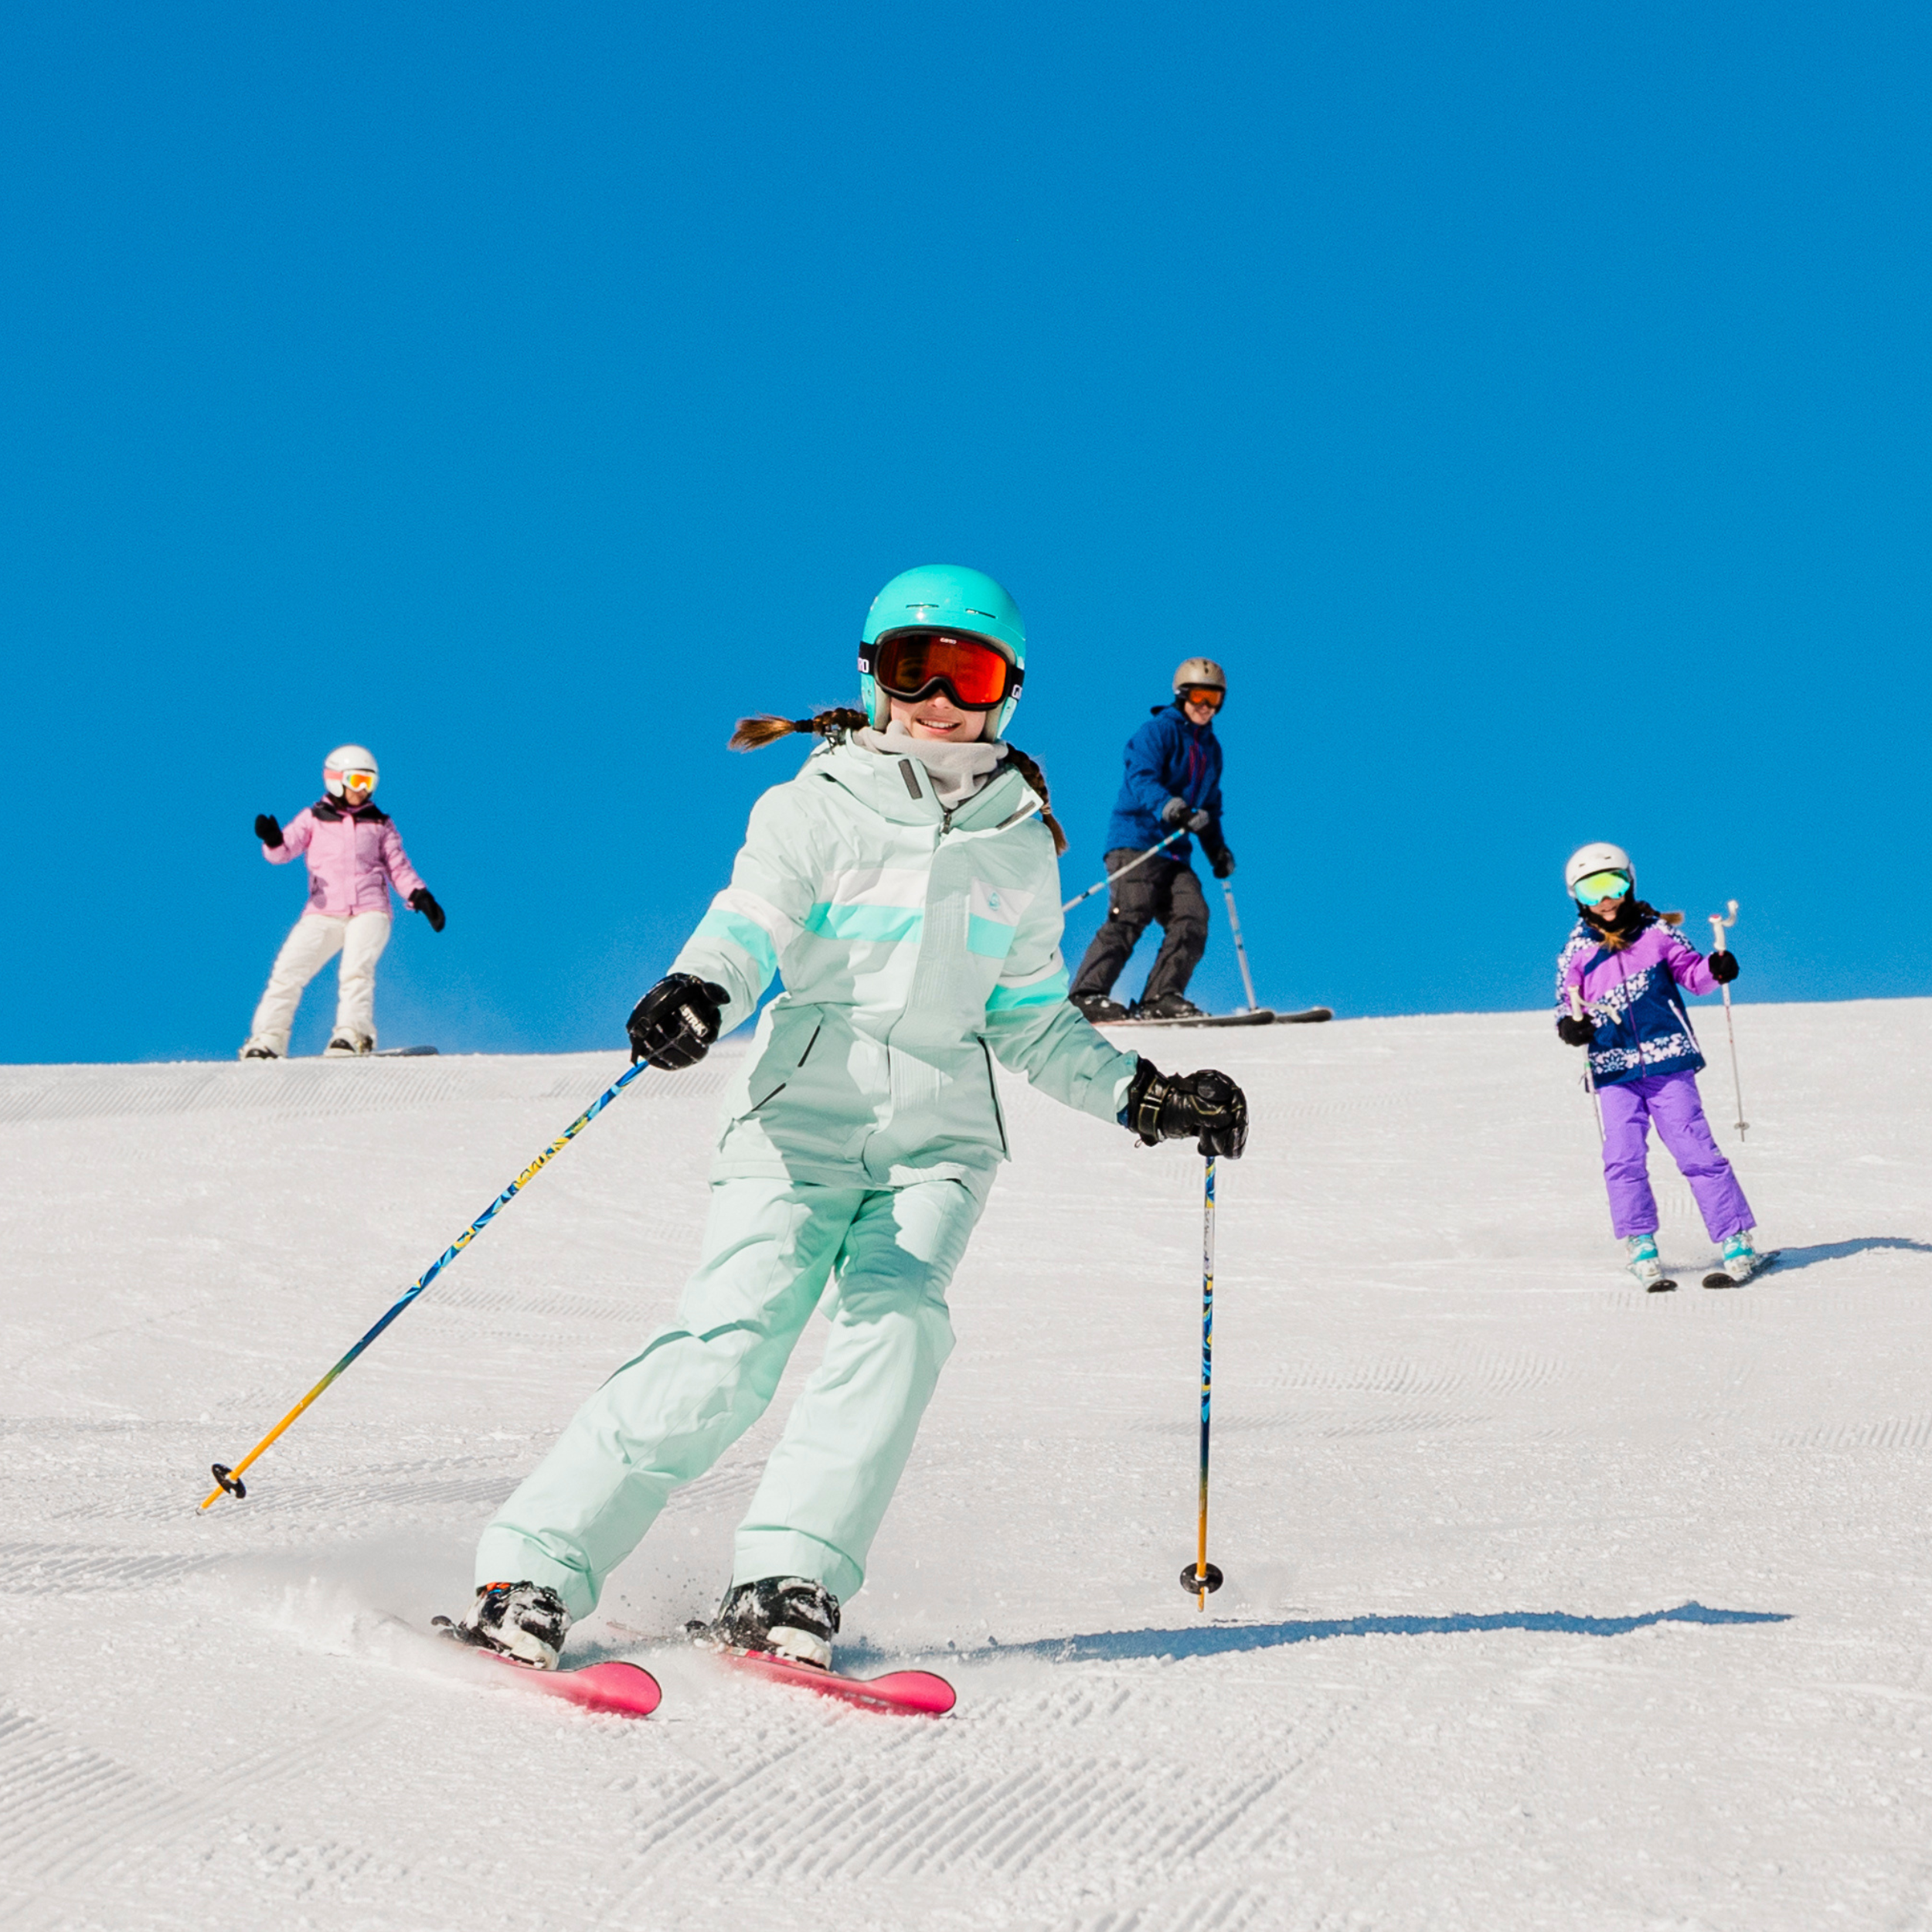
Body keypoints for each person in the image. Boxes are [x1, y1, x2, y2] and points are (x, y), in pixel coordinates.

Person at [446, 566, 1250, 1672]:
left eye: (964, 671)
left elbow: (1023, 1018)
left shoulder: (1023, 841)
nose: (937, 697)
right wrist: (700, 989)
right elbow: (750, 919)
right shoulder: (814, 802)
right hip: (800, 1123)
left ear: (1005, 691)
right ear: (871, 679)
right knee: (733, 1342)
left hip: (940, 1145)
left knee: (900, 1325)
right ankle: (531, 1567)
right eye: (912, 668)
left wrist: (1140, 1094)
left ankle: (789, 1577)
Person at [1555, 842, 1758, 1287]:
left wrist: (1717, 967)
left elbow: (1694, 976)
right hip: (1613, 1072)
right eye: (1592, 891)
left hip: (1667, 1062)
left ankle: (1735, 1238)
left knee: (1695, 1149)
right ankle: (1640, 1241)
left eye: (1613, 884)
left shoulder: (1658, 934)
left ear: (1629, 883)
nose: (1605, 900)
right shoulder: (1576, 953)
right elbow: (1566, 1006)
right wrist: (1572, 1027)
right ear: (1577, 898)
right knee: (1623, 1157)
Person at [240, 745, 445, 1060]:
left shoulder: (379, 824)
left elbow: (398, 867)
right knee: (288, 971)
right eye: (358, 782)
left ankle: (353, 1034)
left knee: (355, 970)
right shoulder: (313, 819)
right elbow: (284, 851)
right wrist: (273, 839)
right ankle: (267, 1041)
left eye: (370, 784)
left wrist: (420, 896)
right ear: (336, 780)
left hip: (370, 910)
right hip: (323, 912)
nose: (364, 792)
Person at [1070, 658, 1234, 1022]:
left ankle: (1161, 996)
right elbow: (1141, 778)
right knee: (1131, 912)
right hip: (1137, 840)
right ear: (1182, 696)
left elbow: (1209, 807)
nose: (1205, 706)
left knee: (1193, 916)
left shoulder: (1211, 750)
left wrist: (1216, 850)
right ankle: (1086, 994)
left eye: (1214, 698)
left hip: (1176, 853)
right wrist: (1173, 809)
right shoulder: (1158, 732)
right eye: (1199, 696)